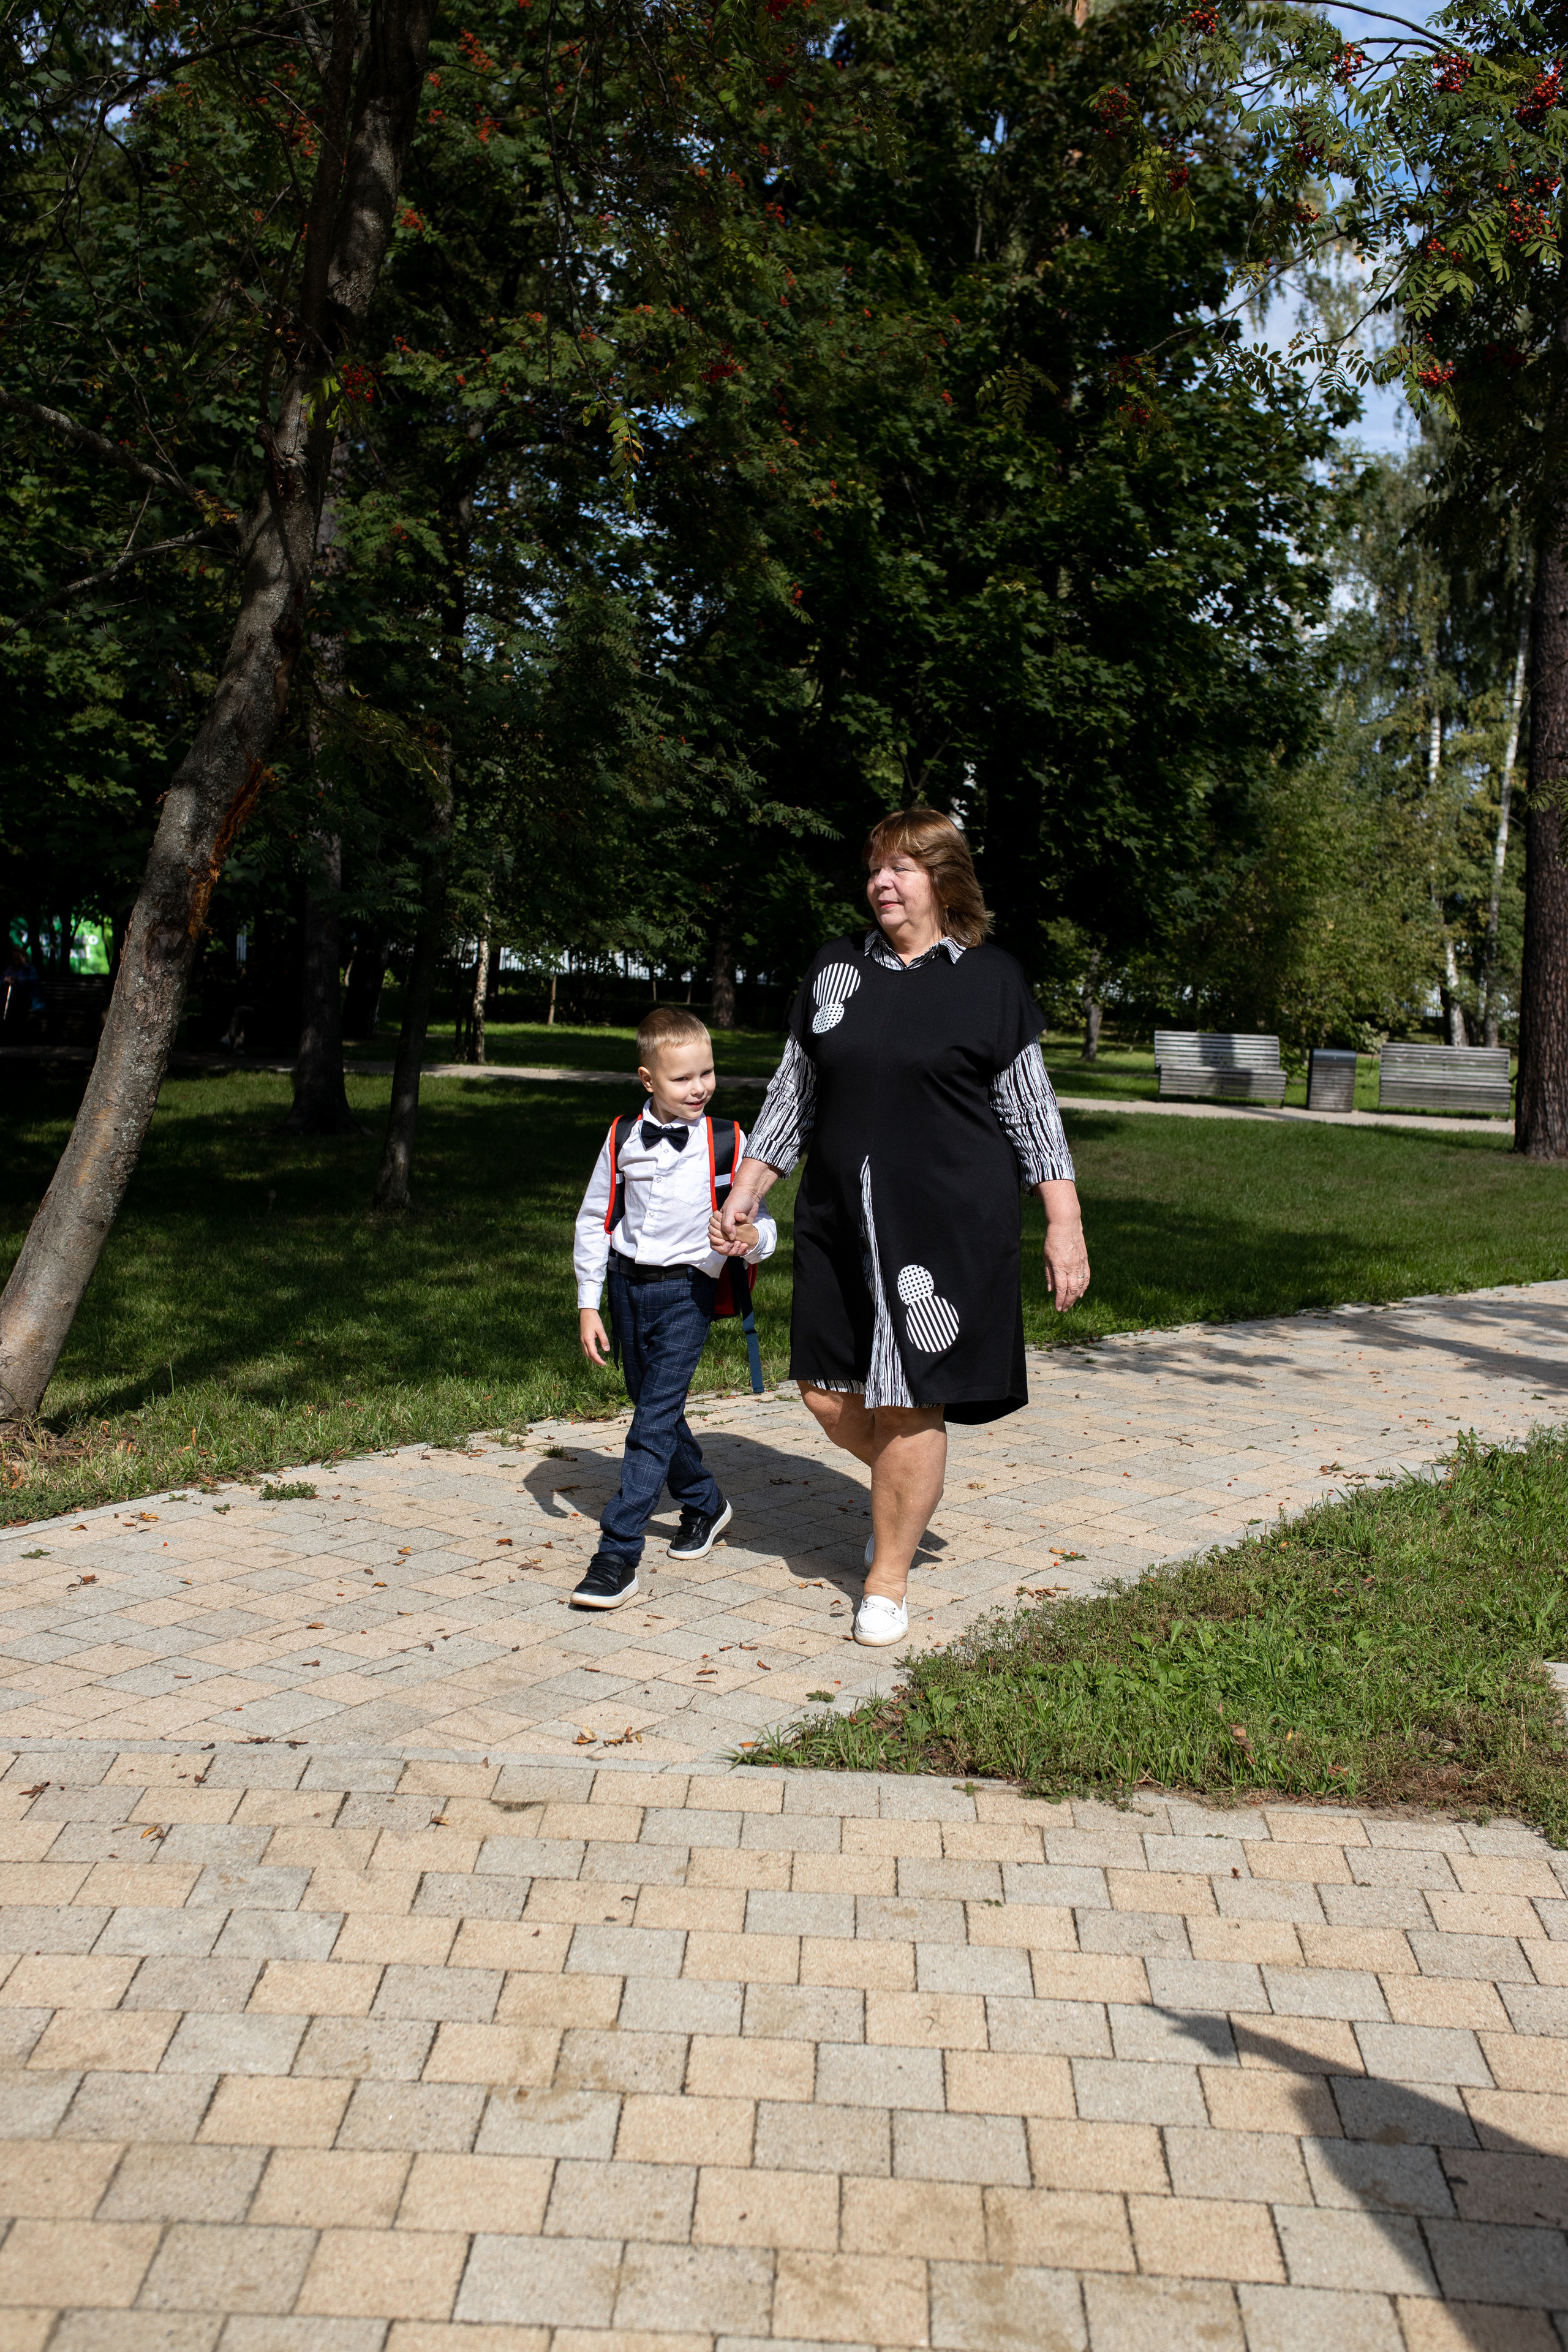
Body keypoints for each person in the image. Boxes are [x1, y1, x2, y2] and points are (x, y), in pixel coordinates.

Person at [714, 807, 1090, 1647]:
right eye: (876, 868)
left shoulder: (990, 980)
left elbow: (1033, 1113)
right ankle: (909, 1487)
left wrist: (1062, 1223)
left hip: (947, 1222)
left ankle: (886, 1576)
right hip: (839, 1214)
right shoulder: (835, 969)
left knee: (910, 1402)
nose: (882, 883)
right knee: (825, 1391)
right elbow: (792, 1095)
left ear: (943, 882)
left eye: (903, 869)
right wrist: (749, 1191)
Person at [571, 1005, 777, 1610]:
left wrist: (749, 1239)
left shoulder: (730, 1141)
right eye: (683, 1078)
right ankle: (705, 1503)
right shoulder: (621, 1137)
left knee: (651, 1423)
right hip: (626, 1287)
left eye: (706, 1073)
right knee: (653, 1408)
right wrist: (589, 1303)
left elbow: (765, 1227)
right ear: (648, 1079)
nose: (699, 1087)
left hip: (690, 1291)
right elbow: (594, 1219)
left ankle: (617, 1553)